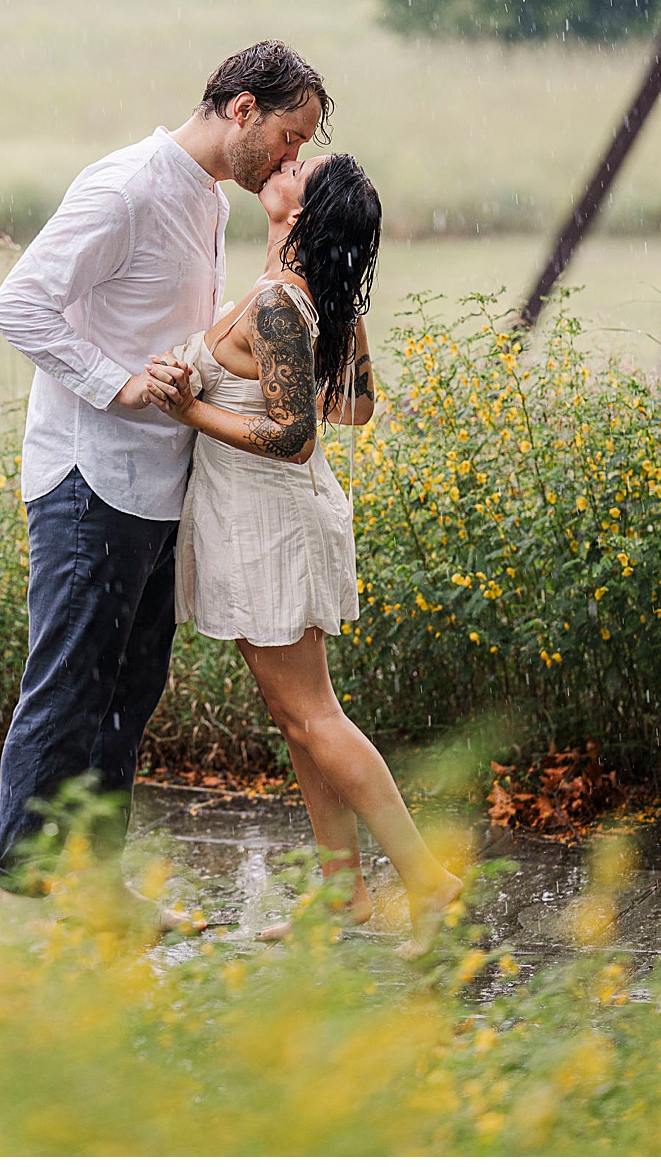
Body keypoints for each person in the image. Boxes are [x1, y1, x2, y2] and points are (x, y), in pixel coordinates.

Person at [0, 41, 329, 902]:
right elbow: (18, 303)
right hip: (88, 475)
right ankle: (22, 897)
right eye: (290, 138)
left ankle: (96, 889)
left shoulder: (208, 204)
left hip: (159, 481)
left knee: (128, 694)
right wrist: (122, 381)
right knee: (69, 685)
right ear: (243, 108)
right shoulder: (127, 185)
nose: (294, 161)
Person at [142, 153, 464, 957]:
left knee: (314, 714)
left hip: (272, 522)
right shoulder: (312, 295)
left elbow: (294, 437)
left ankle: (430, 883)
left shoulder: (285, 303)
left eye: (299, 168)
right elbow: (356, 405)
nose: (283, 163)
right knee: (299, 717)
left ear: (304, 211)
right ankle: (342, 889)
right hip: (272, 519)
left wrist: (191, 408)